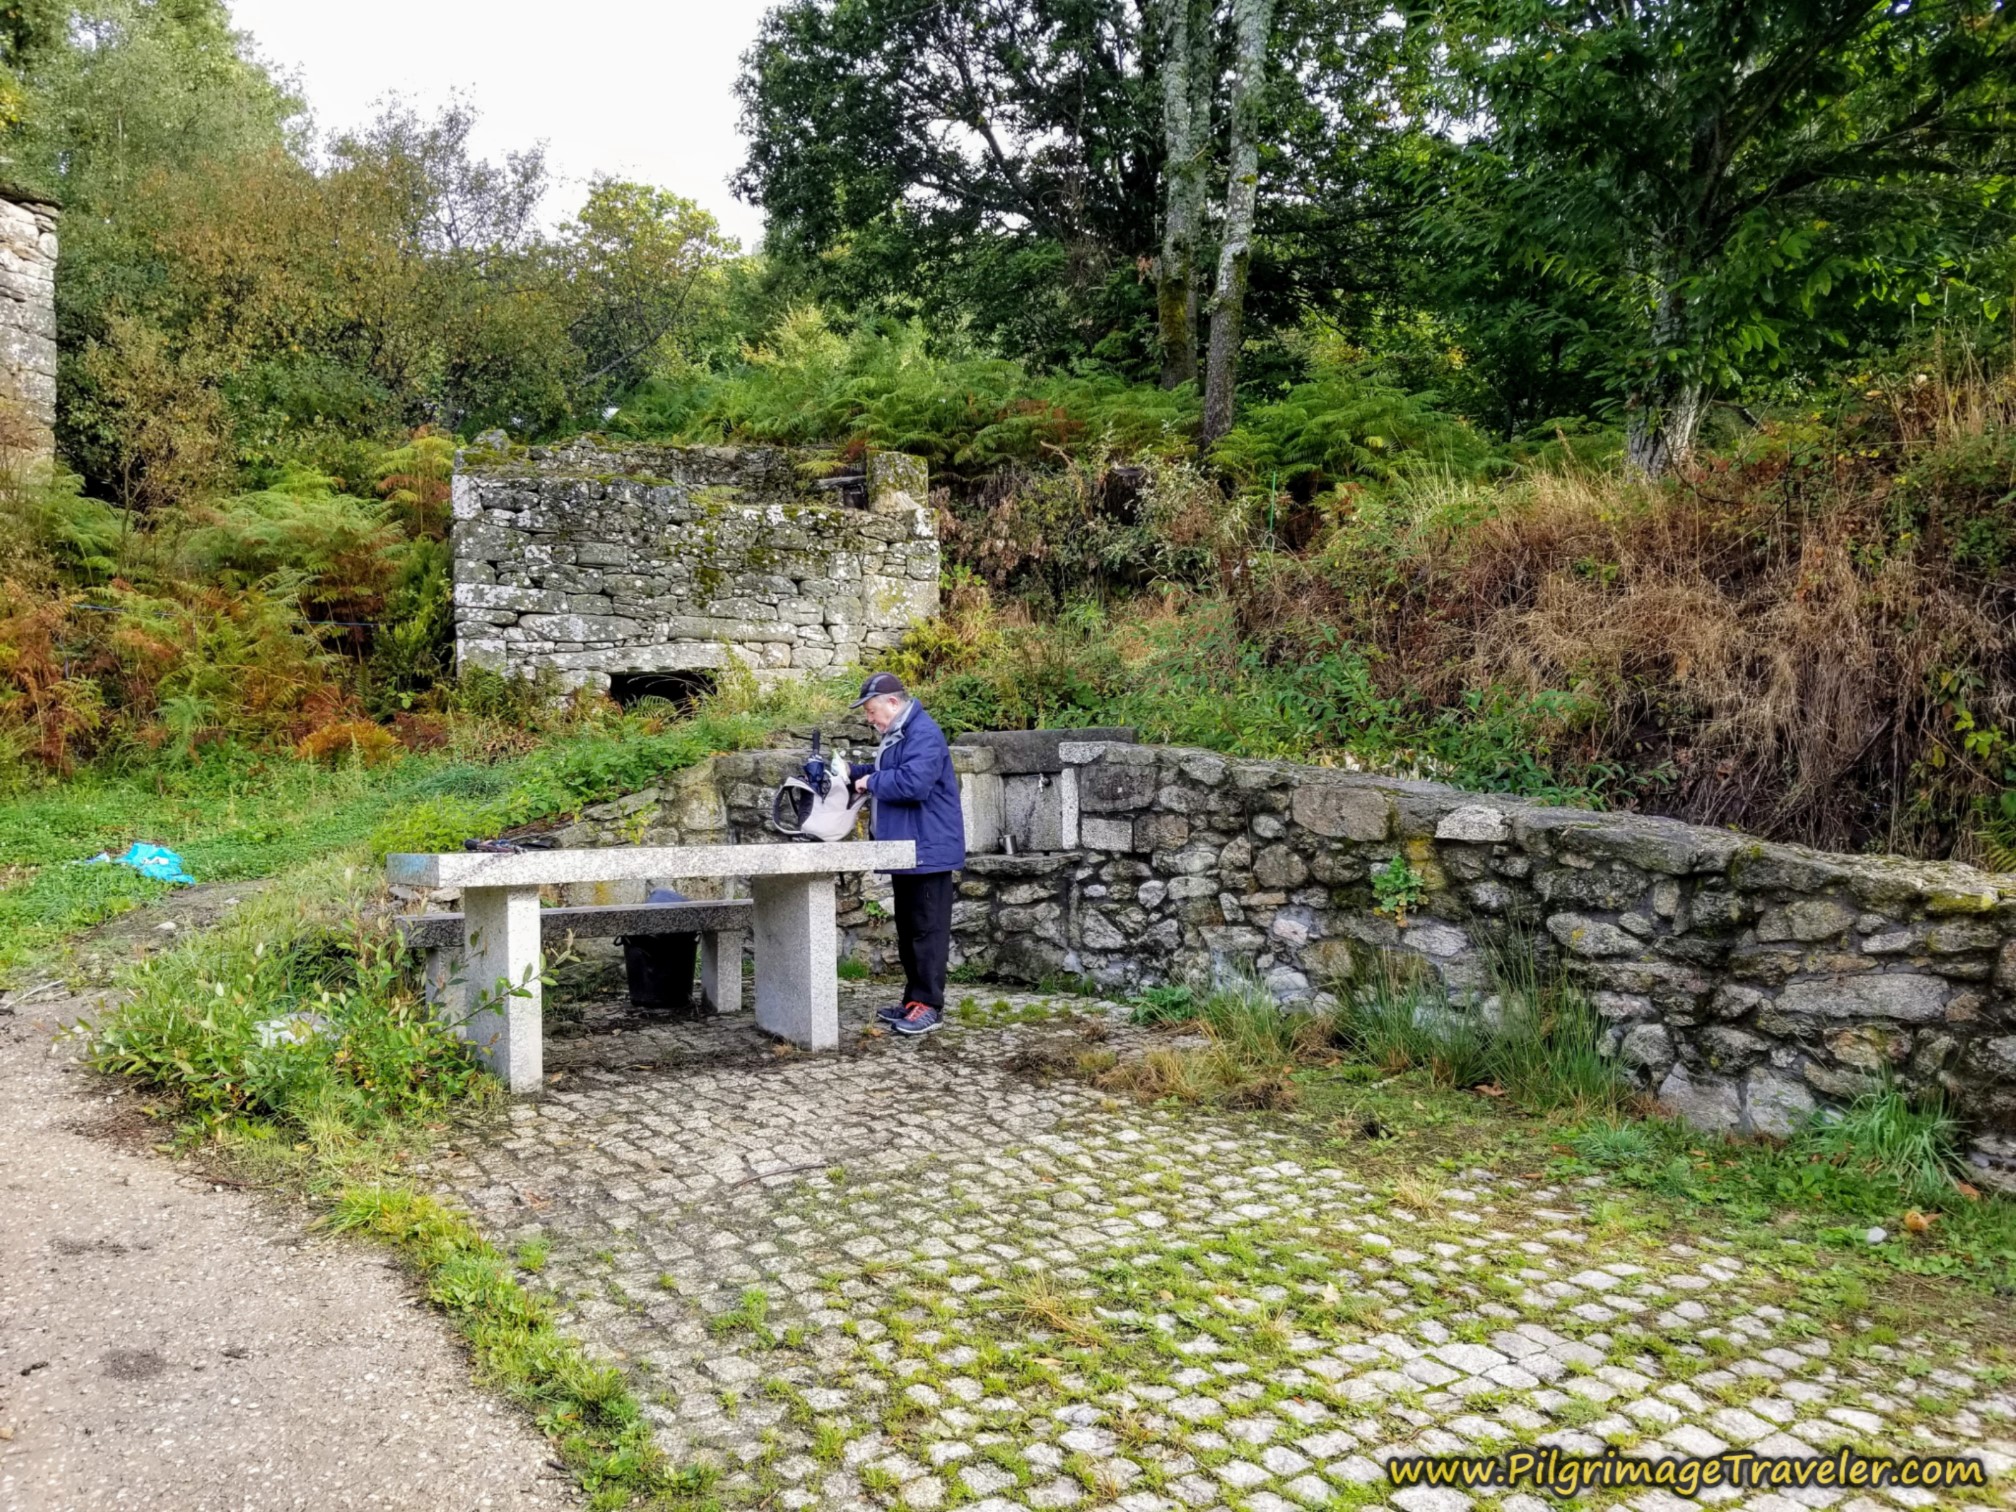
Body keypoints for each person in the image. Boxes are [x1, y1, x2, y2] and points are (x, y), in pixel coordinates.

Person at [849, 671, 964, 1035]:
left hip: (927, 850)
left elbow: (914, 783)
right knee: (911, 929)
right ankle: (913, 1001)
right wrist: (853, 772)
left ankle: (929, 1005)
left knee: (927, 932)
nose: (870, 719)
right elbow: (891, 771)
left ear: (893, 703)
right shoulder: (900, 734)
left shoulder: (924, 733)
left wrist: (871, 781)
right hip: (908, 851)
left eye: (871, 711)